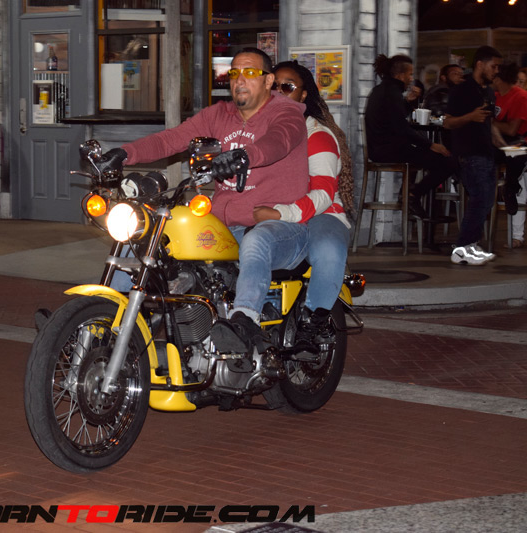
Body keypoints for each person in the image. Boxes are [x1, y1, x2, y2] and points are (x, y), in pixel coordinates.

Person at [99, 47, 310, 353]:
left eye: (250, 73)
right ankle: (102, 319)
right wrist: (123, 154)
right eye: (234, 72)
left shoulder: (286, 113)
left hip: (281, 226)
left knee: (257, 240)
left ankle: (244, 322)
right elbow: (171, 139)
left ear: (268, 81)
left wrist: (243, 156)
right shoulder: (218, 115)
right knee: (146, 237)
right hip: (225, 227)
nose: (240, 80)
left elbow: (280, 140)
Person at [249, 60, 353, 350]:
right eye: (273, 86)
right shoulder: (257, 132)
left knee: (328, 249)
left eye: (288, 87)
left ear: (304, 95)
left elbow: (322, 194)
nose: (278, 93)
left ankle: (314, 323)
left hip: (320, 213)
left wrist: (281, 212)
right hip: (273, 211)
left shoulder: (316, 135)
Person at [364, 54, 456, 220]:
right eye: (410, 74)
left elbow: (392, 119)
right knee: (447, 163)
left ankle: (409, 195)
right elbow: (402, 129)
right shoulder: (392, 93)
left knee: (427, 158)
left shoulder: (381, 90)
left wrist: (407, 102)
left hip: (379, 148)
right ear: (400, 75)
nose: (412, 78)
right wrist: (431, 145)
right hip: (387, 150)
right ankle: (412, 196)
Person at [444, 45, 503, 265]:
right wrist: (470, 117)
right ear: (480, 64)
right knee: (480, 198)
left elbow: (489, 122)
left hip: (486, 151)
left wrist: (501, 142)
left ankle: (470, 245)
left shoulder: (487, 91)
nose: (496, 71)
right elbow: (448, 122)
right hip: (469, 152)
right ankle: (462, 248)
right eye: (493, 66)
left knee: (486, 200)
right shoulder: (462, 90)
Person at [491, 62, 527, 216]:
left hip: (519, 142)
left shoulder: (520, 96)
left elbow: (512, 130)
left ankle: (510, 188)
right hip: (497, 142)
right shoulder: (493, 95)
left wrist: (490, 122)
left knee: (517, 154)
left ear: (498, 79)